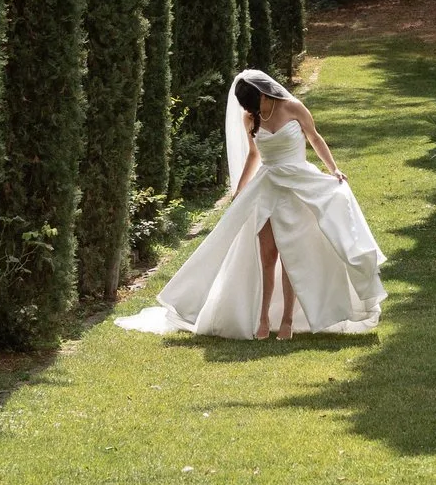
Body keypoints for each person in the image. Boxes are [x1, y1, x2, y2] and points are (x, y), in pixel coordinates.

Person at [116, 69, 386, 340]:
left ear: (265, 94)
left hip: (297, 186)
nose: (250, 110)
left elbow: (314, 137)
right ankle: (263, 318)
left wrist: (333, 169)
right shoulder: (250, 117)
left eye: (254, 104)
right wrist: (239, 190)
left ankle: (288, 320)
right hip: (267, 187)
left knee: (292, 255)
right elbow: (254, 154)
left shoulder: (293, 107)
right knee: (267, 255)